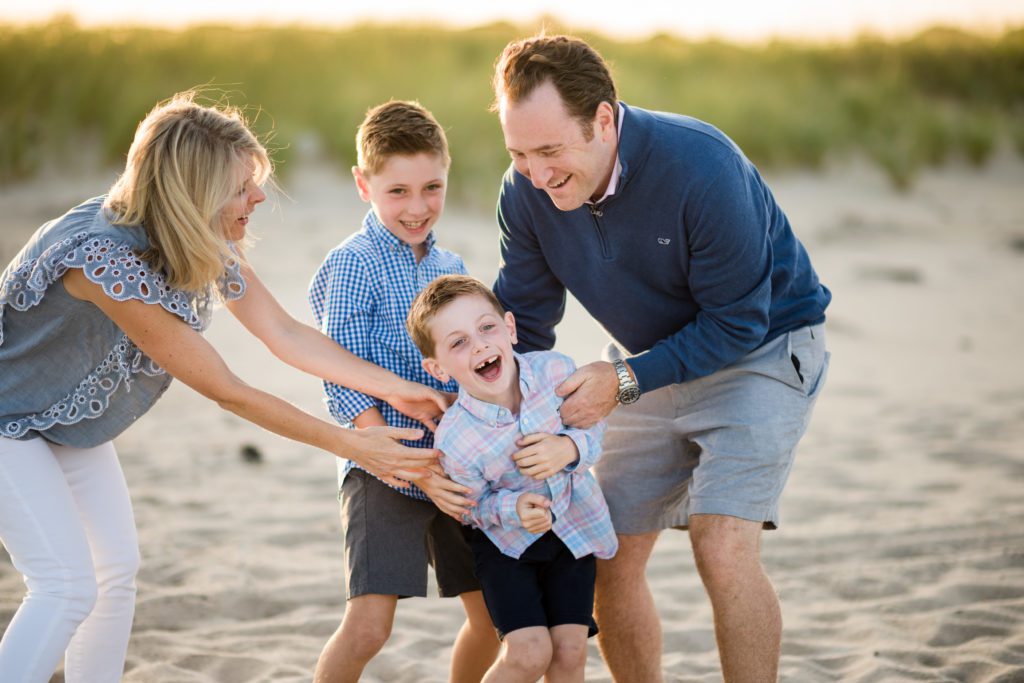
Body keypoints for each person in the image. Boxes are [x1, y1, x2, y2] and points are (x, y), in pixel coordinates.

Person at [0, 91, 450, 683]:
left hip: (61, 421)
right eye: (242, 187)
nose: (258, 196)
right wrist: (356, 446)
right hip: (8, 422)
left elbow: (285, 334)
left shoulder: (198, 233)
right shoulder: (104, 262)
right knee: (64, 586)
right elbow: (229, 390)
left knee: (116, 574)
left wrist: (393, 388)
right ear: (196, 192)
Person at [484, 35, 833, 682]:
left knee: (722, 545)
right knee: (603, 549)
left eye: (550, 150)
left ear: (605, 120)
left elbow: (739, 321)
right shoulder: (525, 191)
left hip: (763, 348)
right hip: (650, 363)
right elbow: (526, 322)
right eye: (519, 153)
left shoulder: (702, 166)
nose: (535, 173)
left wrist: (621, 379)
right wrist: (479, 415)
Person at [306, 101, 499, 683]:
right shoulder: (352, 264)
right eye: (397, 192)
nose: (417, 208)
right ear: (364, 184)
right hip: (380, 460)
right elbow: (336, 372)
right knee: (370, 627)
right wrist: (392, 456)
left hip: (455, 458)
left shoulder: (450, 264)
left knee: (492, 618)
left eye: (432, 187)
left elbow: (470, 364)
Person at [407, 274, 618, 683]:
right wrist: (513, 507)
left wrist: (570, 448)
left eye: (486, 328)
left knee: (570, 652)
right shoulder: (455, 436)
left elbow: (594, 426)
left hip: (573, 526)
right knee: (528, 653)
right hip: (507, 548)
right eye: (458, 342)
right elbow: (471, 507)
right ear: (437, 368)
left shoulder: (556, 372)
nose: (481, 345)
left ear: (509, 328)